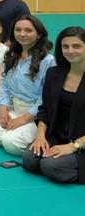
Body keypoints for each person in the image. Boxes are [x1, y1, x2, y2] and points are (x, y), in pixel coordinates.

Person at [0, 15, 55, 155]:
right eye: (18, 30)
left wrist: (24, 119)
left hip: (36, 115)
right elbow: (4, 84)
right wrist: (3, 109)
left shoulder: (48, 61)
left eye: (28, 30)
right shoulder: (11, 55)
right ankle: (17, 135)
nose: (22, 34)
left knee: (10, 143)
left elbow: (46, 96)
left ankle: (39, 139)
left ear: (39, 34)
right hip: (14, 108)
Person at [23, 26, 85, 184]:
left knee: (50, 165)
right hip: (57, 137)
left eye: (76, 46)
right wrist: (40, 136)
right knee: (30, 159)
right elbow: (45, 110)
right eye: (65, 46)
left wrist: (74, 146)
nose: (70, 51)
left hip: (81, 143)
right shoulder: (54, 73)